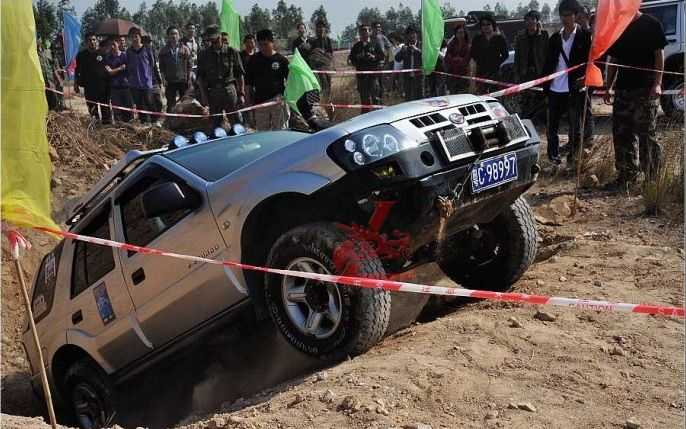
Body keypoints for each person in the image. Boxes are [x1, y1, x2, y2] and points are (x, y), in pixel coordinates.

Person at [604, 9, 668, 188]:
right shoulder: (618, 26)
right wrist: (608, 87)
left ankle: (652, 181)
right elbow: (614, 59)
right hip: (623, 90)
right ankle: (626, 177)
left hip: (645, 90)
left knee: (647, 136)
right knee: (622, 134)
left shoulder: (651, 24)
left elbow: (659, 55)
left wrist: (657, 83)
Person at [542, 0, 591, 165]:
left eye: (568, 15)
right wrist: (545, 87)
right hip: (554, 89)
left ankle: (573, 159)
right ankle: (553, 159)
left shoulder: (585, 36)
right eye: (562, 15)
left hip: (574, 89)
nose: (565, 18)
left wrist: (586, 79)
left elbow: (592, 62)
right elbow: (548, 63)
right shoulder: (555, 38)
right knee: (552, 128)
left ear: (575, 15)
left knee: (575, 128)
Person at [197, 25, 246, 129]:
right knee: (215, 126)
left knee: (236, 123)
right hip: (213, 93)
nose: (211, 40)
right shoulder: (204, 55)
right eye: (209, 38)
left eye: (212, 37)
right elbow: (200, 78)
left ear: (219, 36)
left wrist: (241, 94)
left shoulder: (232, 52)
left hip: (229, 91)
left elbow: (239, 74)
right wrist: (204, 96)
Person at [246, 29, 290, 130]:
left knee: (281, 131)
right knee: (262, 133)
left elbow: (290, 81)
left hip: (278, 101)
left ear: (272, 43)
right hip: (260, 102)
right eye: (260, 45)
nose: (263, 48)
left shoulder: (281, 60)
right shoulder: (253, 60)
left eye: (265, 44)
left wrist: (286, 98)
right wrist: (248, 102)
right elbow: (248, 83)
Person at [513, 10, 549, 117]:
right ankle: (527, 119)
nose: (530, 22)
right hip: (525, 73)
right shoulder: (520, 37)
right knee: (526, 99)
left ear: (537, 21)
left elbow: (548, 54)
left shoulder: (544, 35)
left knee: (541, 99)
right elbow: (517, 58)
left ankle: (541, 119)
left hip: (540, 73)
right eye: (527, 20)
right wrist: (517, 75)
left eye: (532, 19)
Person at [75, 32, 111, 124]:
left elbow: (109, 69)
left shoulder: (104, 53)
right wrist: (76, 83)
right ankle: (96, 126)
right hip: (89, 87)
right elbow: (77, 70)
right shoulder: (81, 55)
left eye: (94, 39)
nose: (92, 42)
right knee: (92, 110)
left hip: (103, 87)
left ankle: (107, 127)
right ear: (86, 42)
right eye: (89, 40)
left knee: (105, 110)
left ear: (97, 41)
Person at [349, 24, 385, 114]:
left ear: (370, 32)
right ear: (359, 33)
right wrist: (358, 57)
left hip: (373, 76)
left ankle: (379, 117)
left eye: (366, 30)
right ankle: (365, 118)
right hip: (362, 77)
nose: (364, 32)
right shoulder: (356, 46)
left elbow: (382, 56)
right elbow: (351, 60)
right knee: (364, 100)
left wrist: (374, 57)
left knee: (376, 98)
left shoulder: (375, 43)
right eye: (362, 31)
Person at [470, 15, 509, 94]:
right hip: (481, 73)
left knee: (495, 95)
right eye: (483, 24)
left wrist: (497, 63)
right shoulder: (477, 38)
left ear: (492, 25)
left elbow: (505, 55)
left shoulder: (499, 38)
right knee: (482, 96)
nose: (486, 26)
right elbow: (472, 54)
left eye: (488, 24)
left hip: (495, 73)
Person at [126, 27, 157, 124]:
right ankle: (144, 122)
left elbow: (152, 64)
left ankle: (154, 121)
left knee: (150, 102)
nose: (134, 39)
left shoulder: (147, 48)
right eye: (132, 37)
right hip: (134, 84)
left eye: (136, 36)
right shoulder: (128, 51)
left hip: (146, 82)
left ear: (140, 37)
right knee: (139, 105)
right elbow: (128, 66)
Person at [159, 26, 192, 113]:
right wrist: (163, 79)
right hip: (170, 81)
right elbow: (161, 67)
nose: (174, 36)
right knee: (170, 104)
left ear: (179, 35)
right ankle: (170, 120)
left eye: (176, 34)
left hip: (183, 80)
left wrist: (189, 78)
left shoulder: (185, 49)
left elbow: (189, 65)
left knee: (185, 103)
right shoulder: (163, 50)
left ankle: (184, 120)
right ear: (168, 36)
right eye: (171, 34)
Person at [105, 36, 133, 122]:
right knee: (117, 110)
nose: (112, 47)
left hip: (126, 87)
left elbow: (130, 69)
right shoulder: (108, 58)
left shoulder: (125, 56)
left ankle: (129, 125)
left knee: (128, 109)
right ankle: (119, 126)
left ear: (118, 44)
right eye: (110, 45)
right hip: (114, 88)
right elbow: (110, 72)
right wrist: (120, 68)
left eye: (114, 44)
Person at [307, 20, 334, 99]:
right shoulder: (312, 41)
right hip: (317, 69)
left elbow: (330, 53)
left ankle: (327, 101)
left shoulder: (327, 40)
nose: (320, 29)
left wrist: (323, 55)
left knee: (328, 86)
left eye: (322, 27)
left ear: (324, 29)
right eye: (318, 27)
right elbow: (311, 54)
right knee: (318, 86)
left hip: (327, 67)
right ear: (316, 29)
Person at [395, 26, 424, 101]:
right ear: (407, 36)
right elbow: (397, 59)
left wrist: (417, 50)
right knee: (408, 99)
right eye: (409, 34)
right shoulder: (405, 46)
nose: (411, 36)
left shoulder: (422, 44)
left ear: (416, 34)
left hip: (419, 77)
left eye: (413, 33)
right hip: (407, 78)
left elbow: (426, 58)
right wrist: (402, 51)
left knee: (420, 98)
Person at [444, 21, 471, 95]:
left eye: (462, 32)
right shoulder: (451, 44)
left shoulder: (468, 46)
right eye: (458, 32)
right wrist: (457, 60)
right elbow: (447, 58)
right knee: (453, 96)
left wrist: (456, 60)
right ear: (455, 34)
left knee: (463, 96)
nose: (460, 34)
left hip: (464, 76)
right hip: (452, 76)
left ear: (465, 34)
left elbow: (466, 60)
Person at [143, 35, 164, 123]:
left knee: (159, 101)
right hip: (146, 82)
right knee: (150, 102)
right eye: (147, 42)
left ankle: (157, 118)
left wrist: (160, 81)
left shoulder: (152, 51)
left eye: (150, 42)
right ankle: (153, 120)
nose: (149, 44)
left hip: (155, 80)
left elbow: (155, 67)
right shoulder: (142, 53)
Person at [38, 38, 62, 111]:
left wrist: (58, 79)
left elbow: (53, 67)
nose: (37, 40)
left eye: (39, 38)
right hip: (40, 86)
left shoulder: (48, 52)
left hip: (51, 84)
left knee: (54, 105)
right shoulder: (33, 54)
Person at [372, 21, 392, 100]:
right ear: (372, 28)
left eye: (379, 27)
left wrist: (387, 61)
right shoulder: (370, 38)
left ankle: (383, 100)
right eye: (376, 27)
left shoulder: (383, 37)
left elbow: (390, 48)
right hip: (372, 65)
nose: (378, 29)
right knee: (374, 85)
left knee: (382, 84)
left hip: (382, 64)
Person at [240, 34, 257, 128]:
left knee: (256, 105)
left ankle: (255, 124)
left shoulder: (258, 55)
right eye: (248, 42)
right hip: (245, 85)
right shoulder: (240, 55)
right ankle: (247, 125)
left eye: (252, 42)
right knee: (246, 106)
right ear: (245, 43)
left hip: (256, 85)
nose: (250, 44)